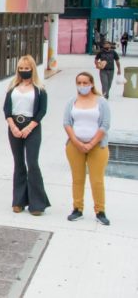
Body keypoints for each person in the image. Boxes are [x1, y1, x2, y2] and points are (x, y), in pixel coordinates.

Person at [63, 72, 112, 226]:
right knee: (77, 179)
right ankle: (77, 208)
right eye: (79, 83)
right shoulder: (72, 101)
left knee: (97, 180)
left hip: (97, 146)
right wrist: (77, 142)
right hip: (75, 146)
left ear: (92, 84)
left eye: (85, 83)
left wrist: (91, 144)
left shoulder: (101, 102)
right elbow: (66, 123)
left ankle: (100, 211)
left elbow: (105, 124)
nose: (82, 86)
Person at [4, 55, 50, 215]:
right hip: (14, 125)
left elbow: (42, 110)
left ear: (32, 69)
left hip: (32, 126)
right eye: (21, 68)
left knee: (32, 162)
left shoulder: (39, 89)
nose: (24, 71)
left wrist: (29, 128)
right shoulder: (12, 87)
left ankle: (37, 203)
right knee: (18, 163)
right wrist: (13, 127)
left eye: (27, 68)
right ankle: (18, 201)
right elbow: (6, 110)